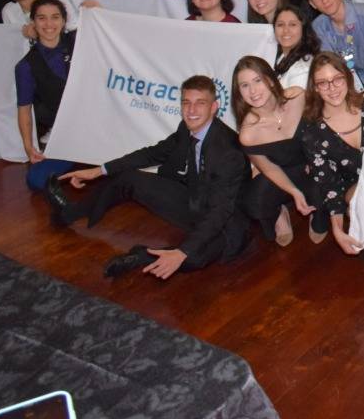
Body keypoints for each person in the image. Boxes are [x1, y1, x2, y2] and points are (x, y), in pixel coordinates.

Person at [44, 75, 252, 279]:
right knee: (127, 178)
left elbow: (220, 211)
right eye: (186, 102)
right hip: (194, 200)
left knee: (193, 256)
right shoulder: (187, 128)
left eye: (200, 103)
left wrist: (183, 251)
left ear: (214, 107)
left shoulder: (228, 152)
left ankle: (141, 257)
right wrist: (99, 170)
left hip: (225, 221)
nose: (191, 110)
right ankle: (67, 213)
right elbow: (153, 153)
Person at [233, 55, 317, 248]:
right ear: (239, 92)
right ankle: (280, 212)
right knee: (254, 203)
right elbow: (269, 169)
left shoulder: (298, 96)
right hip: (283, 171)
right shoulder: (248, 133)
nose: (252, 91)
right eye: (244, 85)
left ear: (270, 80)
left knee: (323, 186)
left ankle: (318, 213)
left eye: (257, 80)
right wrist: (294, 192)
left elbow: (322, 126)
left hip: (312, 164)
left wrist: (315, 160)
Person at [298, 52, 364, 254]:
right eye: (323, 83)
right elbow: (330, 185)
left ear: (348, 77)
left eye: (337, 79)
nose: (332, 88)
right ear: (315, 88)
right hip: (355, 185)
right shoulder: (312, 132)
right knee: (359, 206)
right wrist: (337, 229)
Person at [14, 0, 77, 191]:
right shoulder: (26, 66)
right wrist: (29, 147)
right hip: (67, 133)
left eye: (55, 17)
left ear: (64, 21)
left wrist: (97, 9)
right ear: (33, 22)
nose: (49, 24)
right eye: (42, 18)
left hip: (100, 125)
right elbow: (24, 108)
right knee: (36, 180)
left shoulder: (80, 41)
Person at [304, 0, 364, 88]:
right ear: (312, 4)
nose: (324, 0)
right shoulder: (318, 27)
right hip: (346, 87)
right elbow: (329, 67)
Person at [273, 4, 320, 92]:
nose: (286, 30)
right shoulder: (281, 57)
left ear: (303, 29)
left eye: (292, 25)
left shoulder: (304, 68)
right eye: (280, 25)